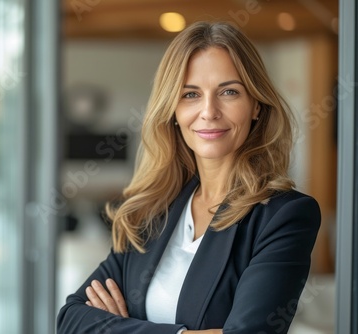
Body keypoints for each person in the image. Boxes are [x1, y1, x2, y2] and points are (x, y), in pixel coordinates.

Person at [57, 21, 321, 334]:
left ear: (256, 106)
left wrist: (121, 327)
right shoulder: (150, 210)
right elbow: (72, 319)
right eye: (191, 94)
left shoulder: (284, 216)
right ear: (172, 111)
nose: (209, 111)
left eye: (229, 91)